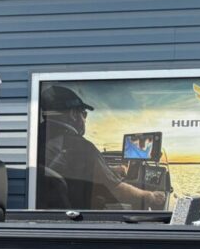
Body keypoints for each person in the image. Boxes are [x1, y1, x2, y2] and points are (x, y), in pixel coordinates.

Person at [37, 84, 166, 210]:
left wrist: (111, 170)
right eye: (84, 114)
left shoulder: (37, 138)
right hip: (79, 217)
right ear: (73, 114)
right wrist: (151, 196)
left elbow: (73, 169)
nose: (85, 119)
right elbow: (118, 191)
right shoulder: (81, 147)